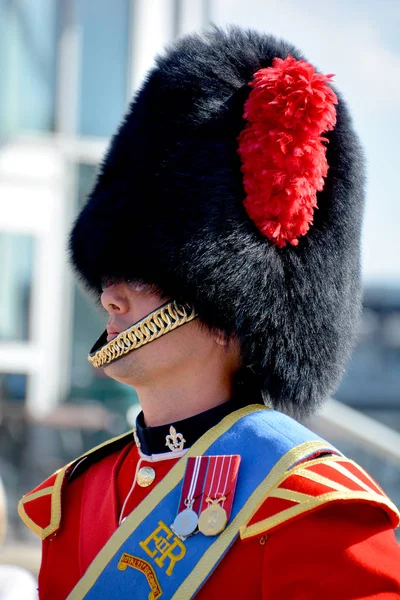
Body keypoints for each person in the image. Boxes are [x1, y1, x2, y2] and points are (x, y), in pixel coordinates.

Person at [18, 27, 400, 599]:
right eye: (109, 275)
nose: (110, 298)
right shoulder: (75, 501)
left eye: (143, 277)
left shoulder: (310, 509)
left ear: (226, 304)